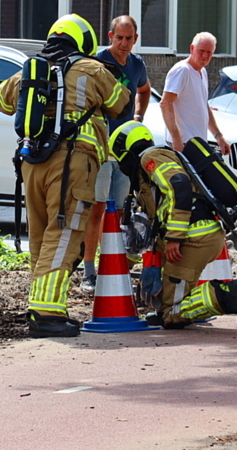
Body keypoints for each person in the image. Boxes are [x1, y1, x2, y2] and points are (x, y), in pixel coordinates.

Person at [0, 13, 130, 337]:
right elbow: (120, 104)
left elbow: (0, 100)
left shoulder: (31, 70)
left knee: (41, 236)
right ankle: (47, 314)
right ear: (84, 41)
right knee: (65, 232)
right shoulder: (92, 69)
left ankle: (41, 306)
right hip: (71, 163)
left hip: (32, 163)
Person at [109, 120, 237, 330]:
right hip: (197, 236)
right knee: (167, 308)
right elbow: (156, 218)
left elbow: (179, 185)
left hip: (192, 239)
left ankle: (228, 295)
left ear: (124, 150)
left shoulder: (151, 158)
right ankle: (178, 305)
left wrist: (175, 238)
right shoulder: (152, 166)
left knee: (171, 315)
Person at [81, 15, 151, 293]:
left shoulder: (137, 64)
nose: (124, 43)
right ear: (110, 37)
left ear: (136, 39)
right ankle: (88, 271)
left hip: (123, 151)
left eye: (129, 38)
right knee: (96, 209)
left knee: (118, 211)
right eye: (119, 38)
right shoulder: (97, 61)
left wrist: (139, 115)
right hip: (98, 148)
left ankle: (112, 266)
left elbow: (143, 90)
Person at [161, 32, 230, 156]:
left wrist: (218, 136)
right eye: (201, 51)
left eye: (209, 52)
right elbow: (165, 103)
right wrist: (176, 139)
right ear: (192, 48)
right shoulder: (182, 70)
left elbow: (204, 106)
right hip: (183, 144)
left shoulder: (202, 71)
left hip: (197, 143)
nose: (205, 56)